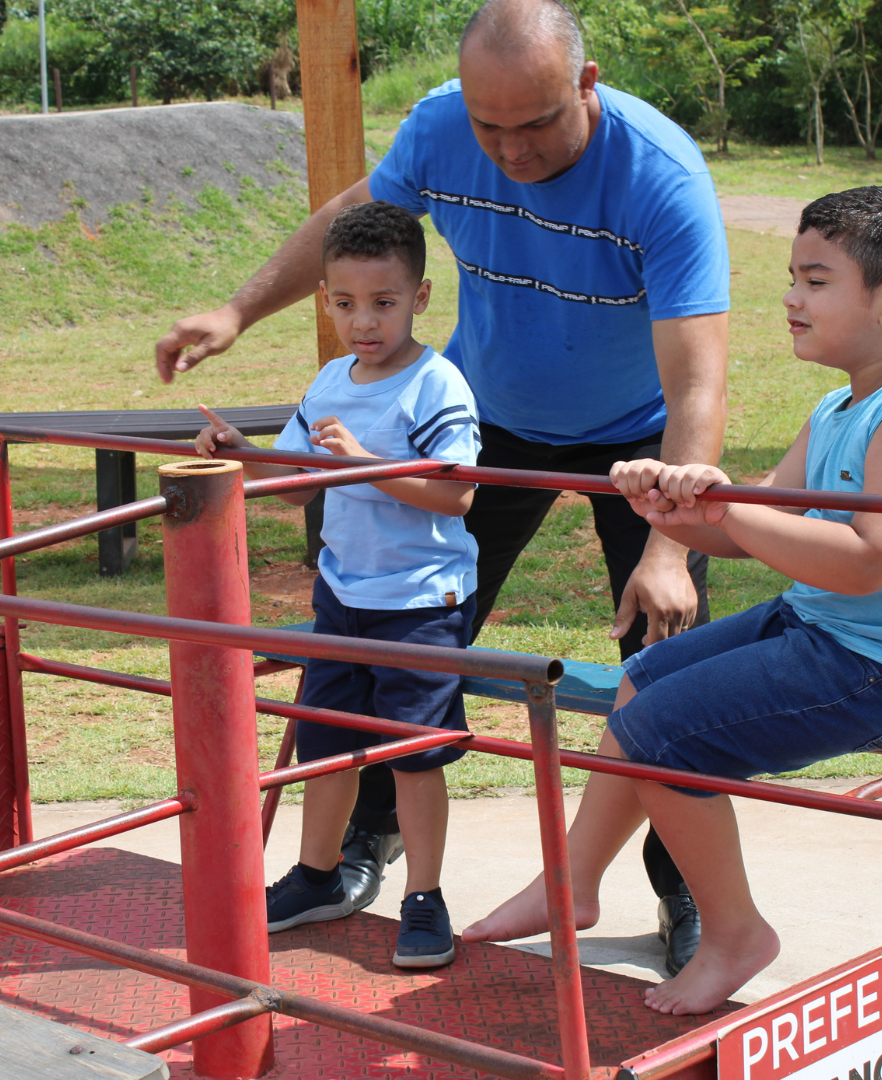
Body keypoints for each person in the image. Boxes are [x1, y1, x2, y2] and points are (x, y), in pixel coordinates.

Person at [155, 0, 728, 968]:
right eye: (487, 125)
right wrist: (239, 310)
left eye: (536, 124)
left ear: (586, 87)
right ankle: (361, 850)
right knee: (402, 631)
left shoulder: (659, 178)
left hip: (639, 442)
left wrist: (670, 545)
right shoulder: (438, 127)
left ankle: (693, 895)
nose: (508, 149)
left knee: (671, 667)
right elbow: (352, 223)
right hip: (489, 419)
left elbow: (699, 381)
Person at [461, 186, 882, 1013]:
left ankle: (734, 932)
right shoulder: (841, 404)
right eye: (794, 275)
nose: (790, 296)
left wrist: (730, 505)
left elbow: (867, 563)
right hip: (830, 629)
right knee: (642, 678)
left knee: (659, 735)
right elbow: (754, 523)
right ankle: (570, 882)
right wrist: (679, 508)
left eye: (816, 280)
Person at [194, 201, 480, 968]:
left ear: (419, 299)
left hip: (421, 603)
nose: (364, 322)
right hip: (342, 598)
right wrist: (240, 452)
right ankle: (317, 876)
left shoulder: (438, 386)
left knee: (414, 758)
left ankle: (425, 896)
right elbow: (292, 485)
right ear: (325, 298)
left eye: (384, 303)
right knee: (325, 746)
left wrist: (361, 465)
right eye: (346, 303)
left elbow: (457, 495)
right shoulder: (329, 381)